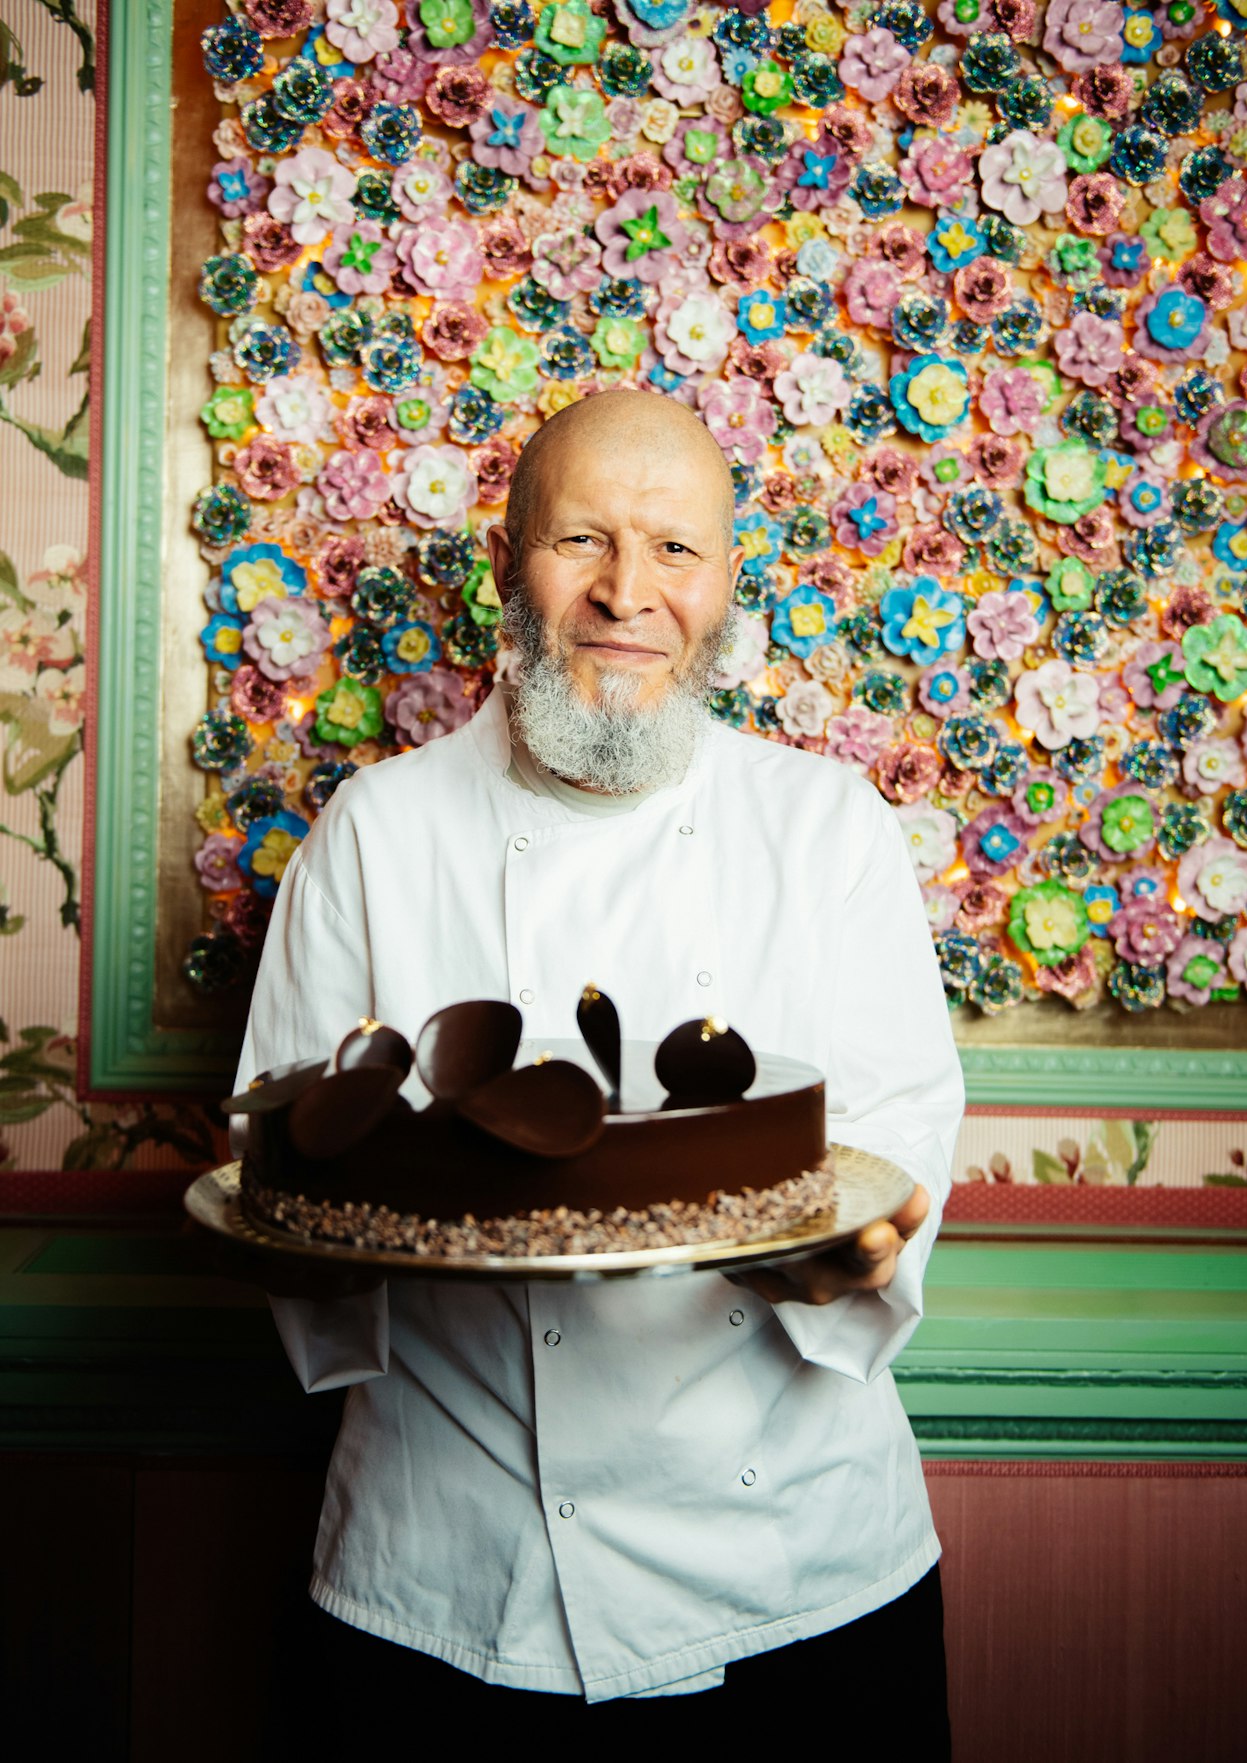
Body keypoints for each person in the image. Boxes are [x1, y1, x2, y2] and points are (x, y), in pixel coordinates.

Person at [239, 390, 964, 1748]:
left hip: (795, 1572)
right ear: (509, 567)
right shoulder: (375, 833)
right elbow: (288, 1172)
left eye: (675, 551)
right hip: (445, 1574)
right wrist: (331, 1222)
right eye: (581, 540)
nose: (628, 593)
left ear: (730, 585)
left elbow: (896, 1139)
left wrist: (840, 1244)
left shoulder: (827, 832)